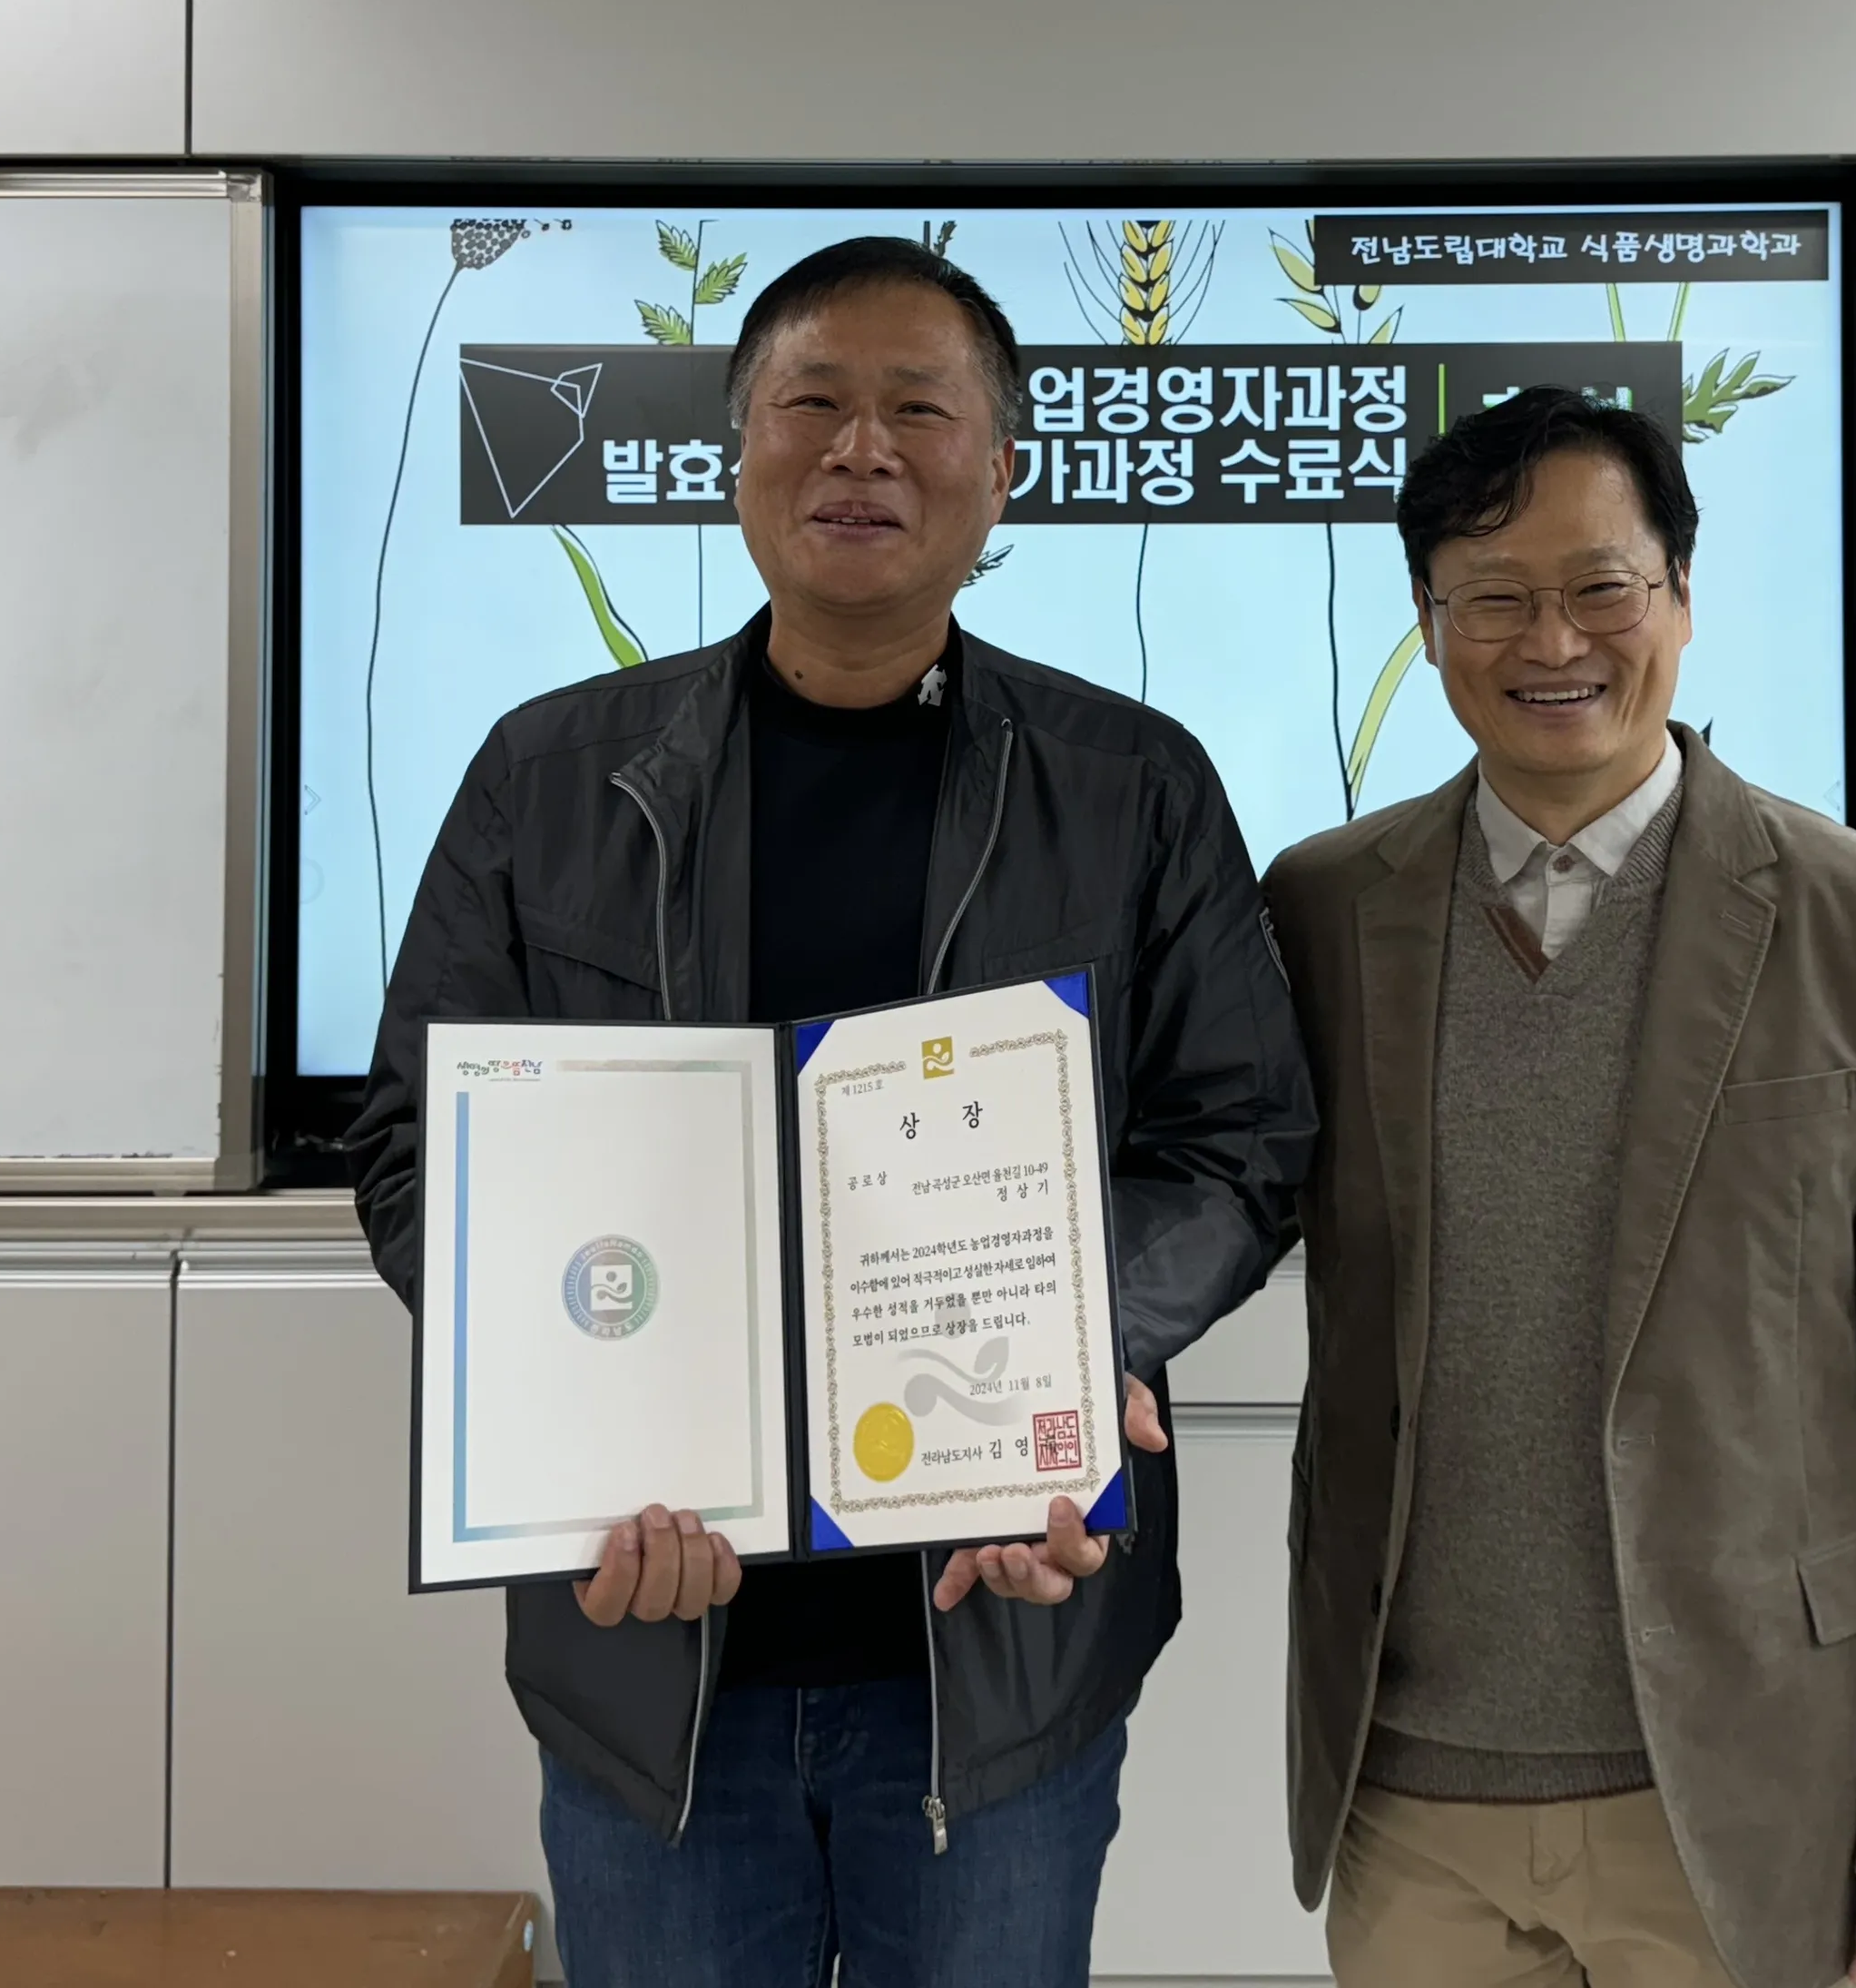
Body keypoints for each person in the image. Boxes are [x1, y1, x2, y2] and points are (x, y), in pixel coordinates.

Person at [345, 235, 1315, 1988]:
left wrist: (1085, 1343)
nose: (862, 449)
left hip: (993, 1650)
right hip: (652, 1649)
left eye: (919, 411)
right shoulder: (548, 779)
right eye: (813, 403)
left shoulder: (1133, 786)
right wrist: (561, 1406)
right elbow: (421, 1149)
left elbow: (1239, 1140)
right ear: (737, 453)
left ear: (1001, 472)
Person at [1262, 387, 1856, 1988]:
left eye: (1601, 586)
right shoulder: (1324, 912)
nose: (1553, 640)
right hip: (1408, 1797)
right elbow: (1199, 1201)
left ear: (1681, 596)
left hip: (1750, 1794)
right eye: (1493, 596)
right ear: (1429, 622)